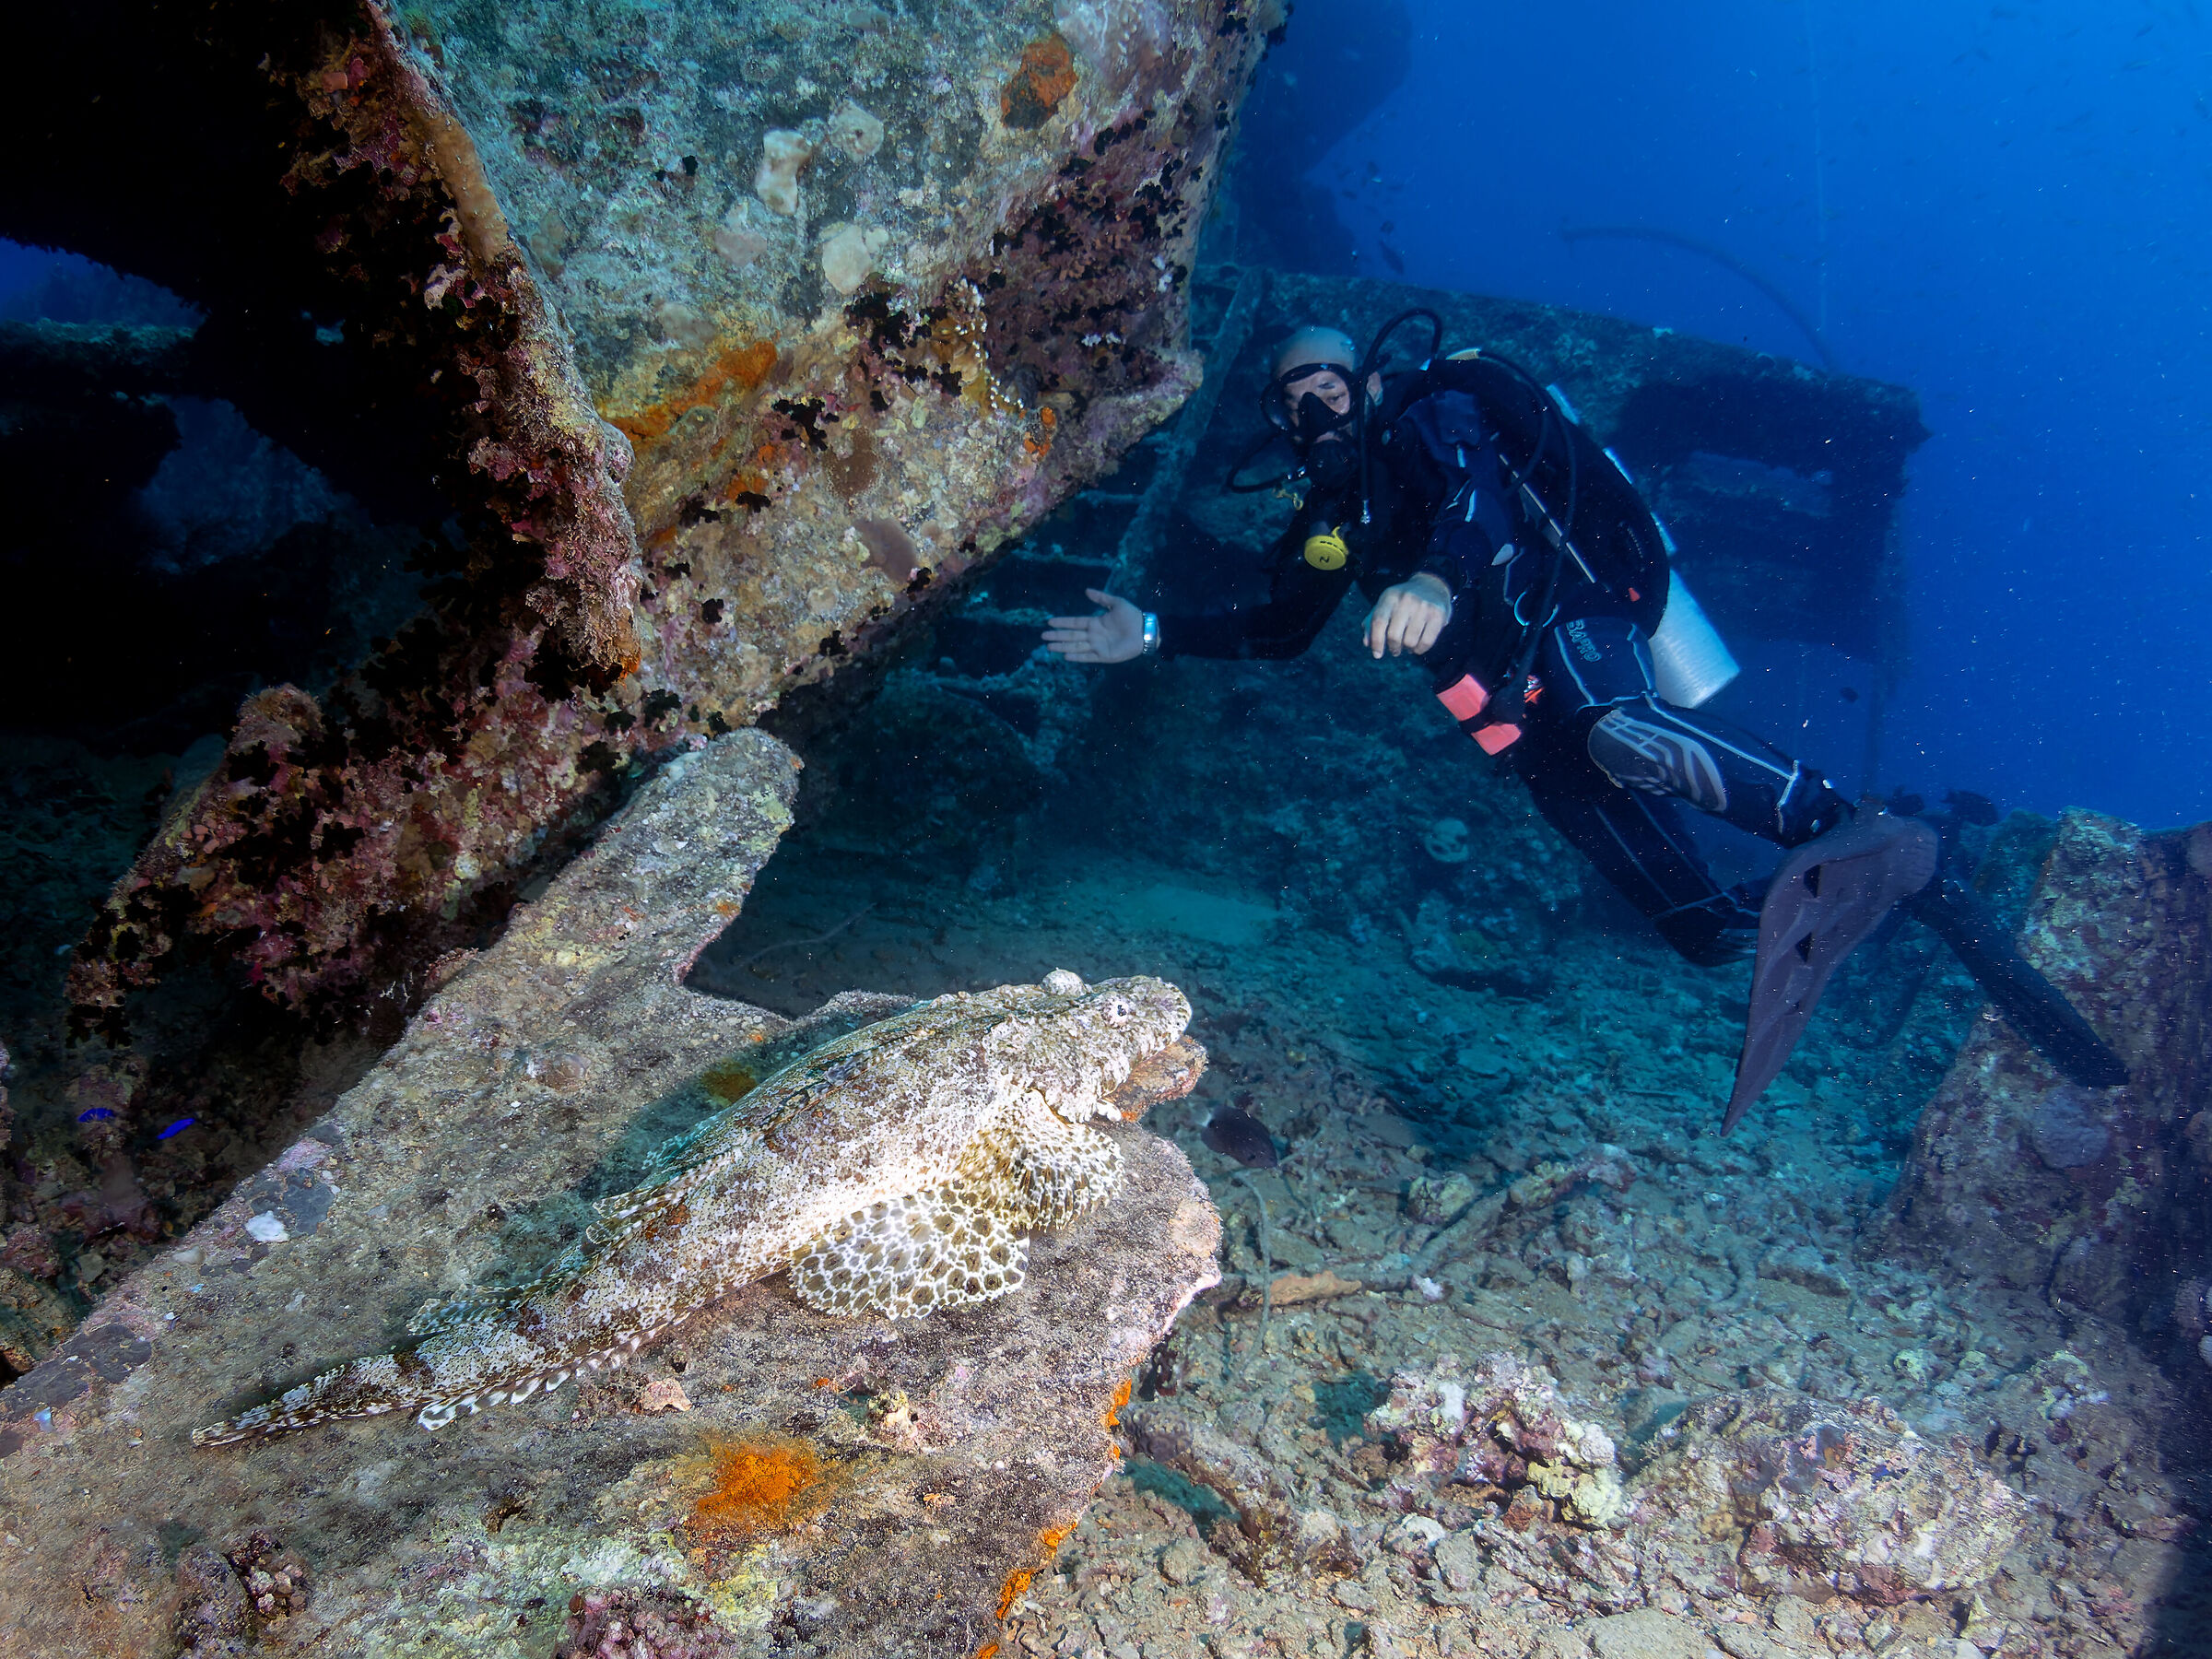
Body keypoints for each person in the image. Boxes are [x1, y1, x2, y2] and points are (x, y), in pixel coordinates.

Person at [1042, 321, 1857, 969]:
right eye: (1294, 403)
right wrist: (1153, 632)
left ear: (1367, 383)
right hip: (1504, 683)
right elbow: (1285, 629)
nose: (1315, 412)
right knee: (1594, 816)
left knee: (1616, 727)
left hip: (1568, 610)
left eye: (1328, 387)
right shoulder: (1338, 512)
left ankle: (1826, 821)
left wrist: (1434, 580)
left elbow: (1477, 498)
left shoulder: (1432, 411)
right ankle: (1731, 926)